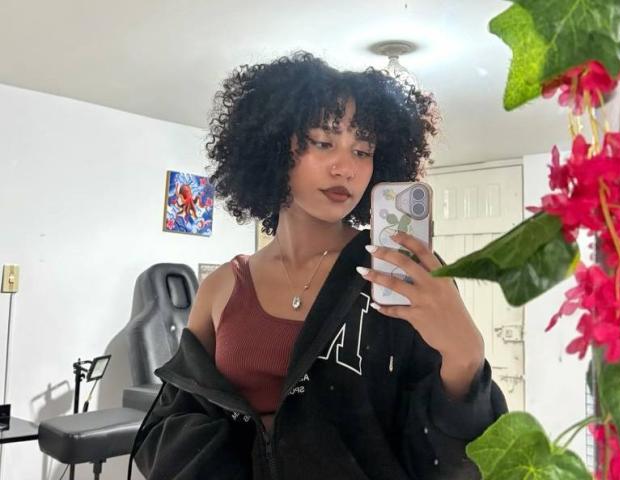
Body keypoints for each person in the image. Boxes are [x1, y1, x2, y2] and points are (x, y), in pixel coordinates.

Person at [128, 51, 507, 480]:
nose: (346, 168)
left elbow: (450, 458)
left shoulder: (400, 273)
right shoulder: (221, 287)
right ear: (274, 145)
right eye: (324, 143)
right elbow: (173, 421)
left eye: (362, 150)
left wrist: (465, 358)